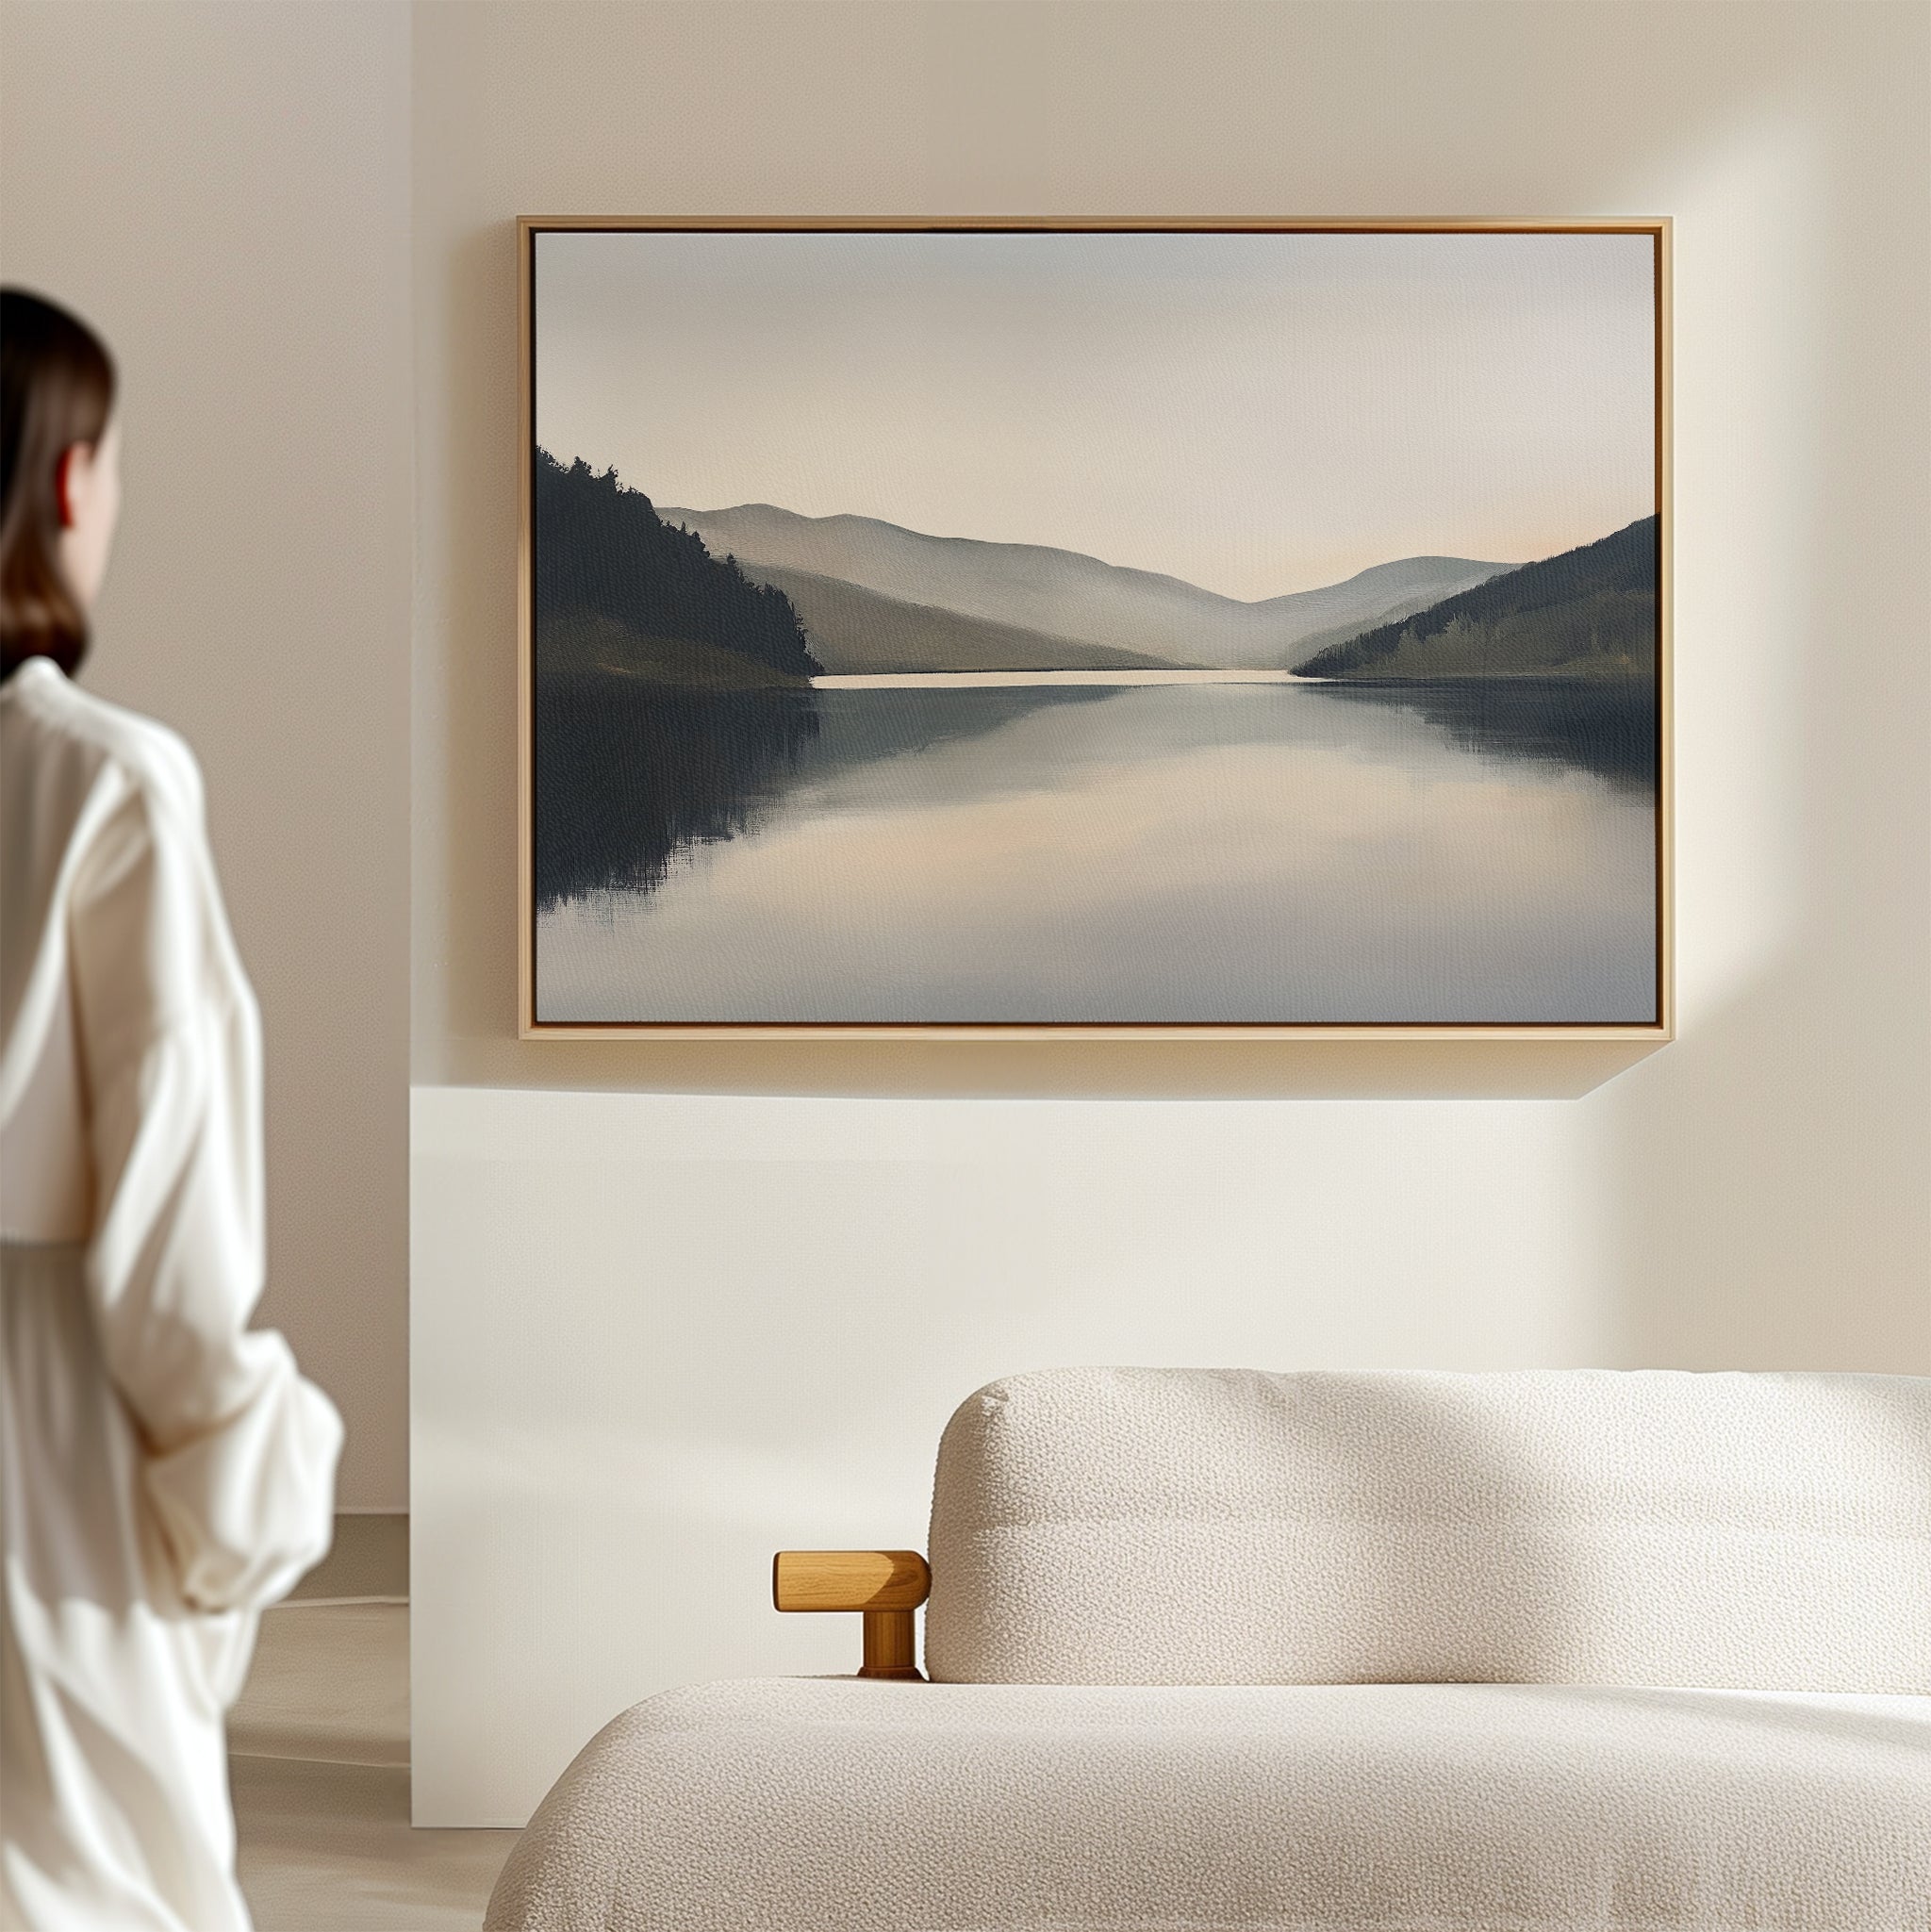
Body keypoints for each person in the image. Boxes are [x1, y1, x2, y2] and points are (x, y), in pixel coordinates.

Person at [0, 289, 342, 1930]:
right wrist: (249, 1492)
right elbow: (167, 1266)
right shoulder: (102, 783)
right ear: (68, 481)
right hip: (38, 1456)